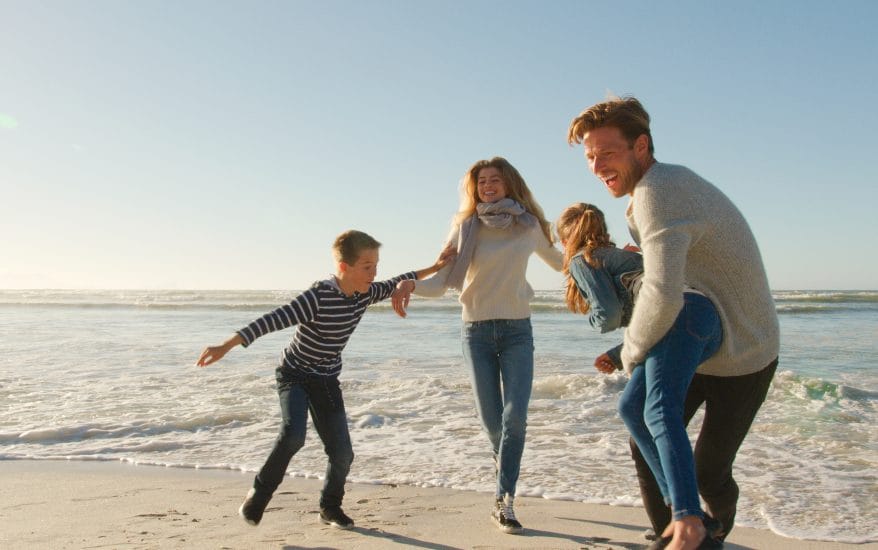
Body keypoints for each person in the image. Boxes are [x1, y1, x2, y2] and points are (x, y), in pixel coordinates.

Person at [567, 97, 779, 550]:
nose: (597, 165)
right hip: (699, 328)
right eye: (589, 157)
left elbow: (662, 292)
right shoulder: (648, 195)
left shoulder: (660, 191)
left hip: (744, 349)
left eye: (608, 153)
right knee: (639, 419)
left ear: (641, 145)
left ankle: (706, 520)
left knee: (708, 471)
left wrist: (628, 351)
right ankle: (677, 531)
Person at [196, 230, 450, 530]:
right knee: (294, 435)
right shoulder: (318, 297)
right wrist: (226, 345)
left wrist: (436, 267)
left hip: (327, 380)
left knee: (342, 453)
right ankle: (258, 495)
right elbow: (272, 319)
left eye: (376, 265)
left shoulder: (366, 292)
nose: (374, 272)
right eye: (367, 266)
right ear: (344, 267)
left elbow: (401, 278)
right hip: (294, 375)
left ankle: (330, 507)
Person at [391, 157, 563, 534]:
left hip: (518, 330)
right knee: (493, 423)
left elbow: (563, 265)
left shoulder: (528, 225)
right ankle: (504, 479)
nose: (488, 186)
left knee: (515, 416)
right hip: (476, 332)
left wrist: (604, 257)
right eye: (482, 181)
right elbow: (442, 281)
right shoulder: (464, 227)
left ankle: (505, 500)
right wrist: (409, 284)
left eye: (495, 180)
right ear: (475, 187)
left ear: (509, 184)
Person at [555, 202, 643, 371]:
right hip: (694, 315)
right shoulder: (621, 257)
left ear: (565, 242)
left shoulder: (581, 260)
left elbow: (609, 317)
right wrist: (616, 356)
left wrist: (594, 321)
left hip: (669, 326)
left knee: (643, 397)